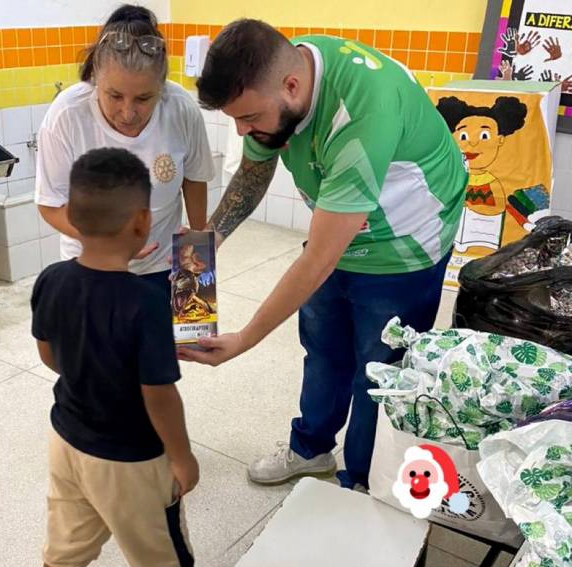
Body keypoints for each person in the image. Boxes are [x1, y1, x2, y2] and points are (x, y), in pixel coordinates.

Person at [182, 20, 468, 491]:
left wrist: (244, 340)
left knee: (378, 370)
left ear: (291, 87)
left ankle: (363, 479)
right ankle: (310, 449)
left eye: (249, 117)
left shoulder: (362, 111)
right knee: (323, 348)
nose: (242, 130)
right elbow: (253, 173)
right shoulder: (284, 72)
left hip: (407, 242)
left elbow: (317, 261)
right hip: (343, 226)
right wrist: (205, 244)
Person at [29, 148, 200, 567]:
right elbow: (159, 395)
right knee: (163, 543)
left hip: (68, 439)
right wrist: (182, 457)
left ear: (72, 217)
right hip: (130, 457)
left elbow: (49, 354)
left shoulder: (51, 280)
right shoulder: (146, 303)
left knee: (66, 532)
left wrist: (90, 372)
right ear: (142, 222)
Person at [34, 4, 215, 300]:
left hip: (165, 266)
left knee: (183, 331)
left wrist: (199, 248)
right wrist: (106, 244)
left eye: (144, 98)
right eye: (115, 95)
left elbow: (194, 179)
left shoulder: (180, 107)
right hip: (91, 266)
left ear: (161, 86)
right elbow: (50, 204)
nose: (128, 113)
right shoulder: (67, 114)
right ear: (95, 77)